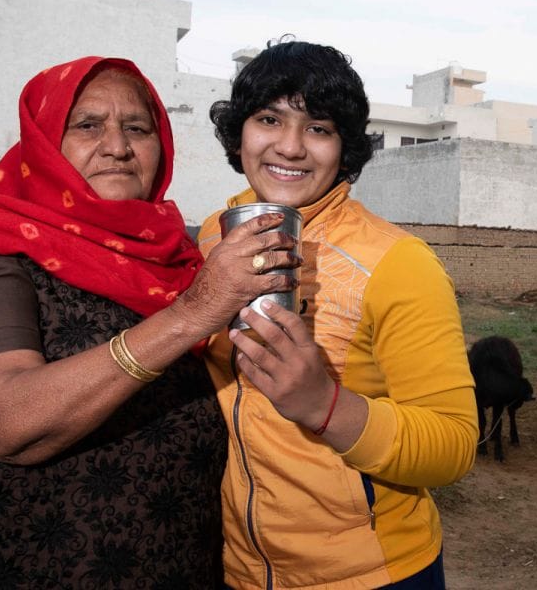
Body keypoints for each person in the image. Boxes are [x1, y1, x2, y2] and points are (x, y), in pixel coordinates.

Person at [0, 55, 299, 588]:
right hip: (26, 568)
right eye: (87, 126)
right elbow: (8, 423)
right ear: (42, 143)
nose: (118, 146)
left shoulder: (176, 256)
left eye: (137, 128)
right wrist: (193, 314)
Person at [198, 38, 478, 589]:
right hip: (237, 570)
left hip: (370, 573)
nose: (291, 146)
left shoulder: (398, 263)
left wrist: (322, 405)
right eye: (269, 118)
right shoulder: (215, 235)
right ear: (240, 133)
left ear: (344, 146)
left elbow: (453, 443)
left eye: (319, 127)